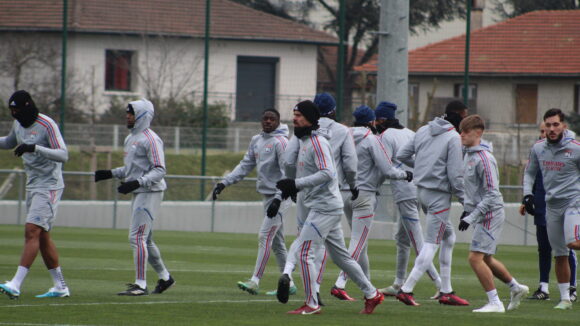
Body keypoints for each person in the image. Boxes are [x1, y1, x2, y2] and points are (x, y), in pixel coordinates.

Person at [271, 100, 384, 315]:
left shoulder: (318, 142)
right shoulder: (303, 141)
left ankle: (312, 304)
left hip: (326, 207)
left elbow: (328, 173)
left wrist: (295, 184)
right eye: (294, 114)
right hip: (319, 205)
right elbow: (302, 174)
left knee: (305, 253)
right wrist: (288, 190)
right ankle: (372, 293)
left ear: (311, 119)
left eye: (299, 115)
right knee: (341, 256)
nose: (295, 118)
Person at [330, 105, 411, 299]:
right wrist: (406, 174)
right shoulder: (372, 139)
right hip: (365, 196)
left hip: (343, 193)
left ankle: (368, 288)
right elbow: (387, 170)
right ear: (372, 122)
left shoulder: (344, 135)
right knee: (358, 243)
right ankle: (340, 283)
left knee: (361, 245)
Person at [94, 99, 174, 296]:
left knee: (136, 237)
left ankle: (141, 285)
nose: (127, 116)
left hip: (150, 192)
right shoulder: (130, 139)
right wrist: (110, 173)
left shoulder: (151, 139)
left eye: (131, 112)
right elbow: (131, 170)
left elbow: (160, 170)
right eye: (127, 112)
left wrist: (137, 183)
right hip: (140, 193)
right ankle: (165, 278)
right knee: (145, 240)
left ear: (141, 115)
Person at [211, 109, 295, 295]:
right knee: (277, 242)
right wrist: (224, 182)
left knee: (264, 236)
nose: (268, 121)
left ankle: (255, 280)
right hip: (267, 197)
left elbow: (286, 174)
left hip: (280, 197)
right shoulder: (257, 140)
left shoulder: (281, 142)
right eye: (265, 118)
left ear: (278, 121)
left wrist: (278, 198)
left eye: (272, 119)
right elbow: (245, 165)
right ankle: (288, 284)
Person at [394, 101, 469, 306]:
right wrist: (466, 202)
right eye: (465, 116)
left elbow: (401, 156)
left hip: (421, 193)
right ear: (460, 115)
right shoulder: (454, 137)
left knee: (448, 236)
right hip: (438, 196)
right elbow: (455, 176)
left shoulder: (423, 130)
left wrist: (422, 168)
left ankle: (446, 290)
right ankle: (407, 289)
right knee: (432, 243)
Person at [0, 90, 70, 299]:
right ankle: (60, 286)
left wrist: (34, 147)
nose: (14, 114)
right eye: (11, 111)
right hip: (33, 185)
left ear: (28, 106)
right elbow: (9, 142)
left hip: (49, 186)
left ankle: (15, 284)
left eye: (17, 110)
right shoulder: (18, 124)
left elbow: (63, 154)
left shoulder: (47, 125)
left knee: (31, 230)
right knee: (42, 237)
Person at [458, 115, 529, 313]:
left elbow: (492, 194)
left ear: (478, 133)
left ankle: (495, 303)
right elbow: (473, 190)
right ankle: (515, 287)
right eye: (460, 131)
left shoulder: (485, 158)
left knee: (475, 258)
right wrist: (467, 210)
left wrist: (471, 217)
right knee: (486, 258)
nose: (461, 134)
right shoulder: (468, 155)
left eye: (466, 131)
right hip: (481, 214)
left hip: (490, 214)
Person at [374, 101, 442, 298]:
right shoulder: (411, 133)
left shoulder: (385, 136)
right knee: (402, 239)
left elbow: (385, 166)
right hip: (419, 189)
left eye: (377, 120)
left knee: (418, 242)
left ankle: (442, 286)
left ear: (382, 119)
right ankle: (398, 283)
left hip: (405, 191)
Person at [522, 108, 580, 310]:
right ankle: (565, 299)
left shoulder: (576, 148)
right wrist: (527, 194)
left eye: (556, 124)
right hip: (551, 205)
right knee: (560, 253)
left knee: (573, 243)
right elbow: (529, 173)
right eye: (548, 125)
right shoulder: (538, 148)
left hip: (574, 202)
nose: (552, 129)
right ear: (544, 126)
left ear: (564, 126)